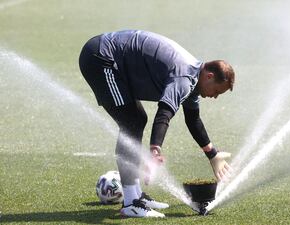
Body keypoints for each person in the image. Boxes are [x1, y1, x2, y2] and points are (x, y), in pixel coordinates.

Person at [78, 30, 235, 218]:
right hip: (101, 57)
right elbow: (164, 113)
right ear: (209, 76)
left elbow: (193, 119)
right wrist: (155, 149)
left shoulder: (194, 79)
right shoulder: (184, 78)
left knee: (137, 119)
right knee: (131, 122)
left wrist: (213, 155)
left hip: (112, 60)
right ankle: (131, 203)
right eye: (217, 91)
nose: (215, 97)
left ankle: (136, 196)